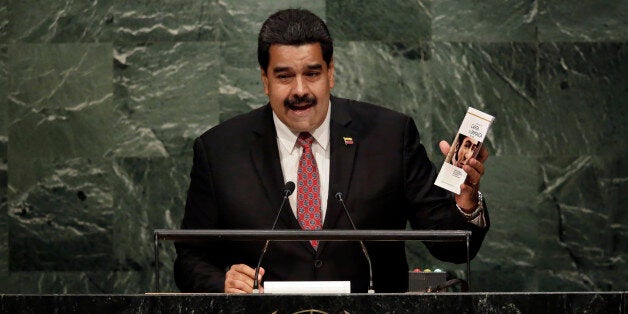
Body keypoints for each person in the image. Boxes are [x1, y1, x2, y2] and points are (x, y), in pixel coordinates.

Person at [174, 8, 490, 293]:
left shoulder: (389, 137)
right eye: (284, 76)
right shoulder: (220, 150)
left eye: (312, 73)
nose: (300, 90)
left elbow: (452, 247)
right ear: (265, 80)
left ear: (331, 73)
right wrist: (223, 282)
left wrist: (465, 203)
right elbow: (190, 260)